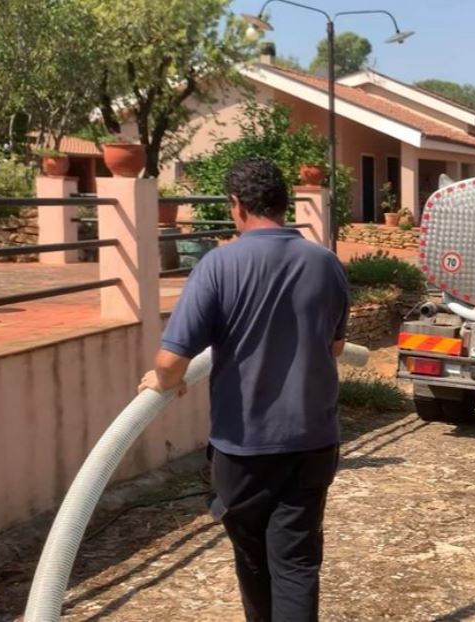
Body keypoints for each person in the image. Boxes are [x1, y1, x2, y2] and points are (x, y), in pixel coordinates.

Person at [138, 156, 350, 621]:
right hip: (312, 441)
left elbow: (172, 360)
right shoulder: (326, 264)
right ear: (284, 203)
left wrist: (163, 381)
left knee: (253, 562)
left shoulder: (218, 266)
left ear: (235, 205)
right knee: (296, 565)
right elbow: (335, 348)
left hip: (244, 446)